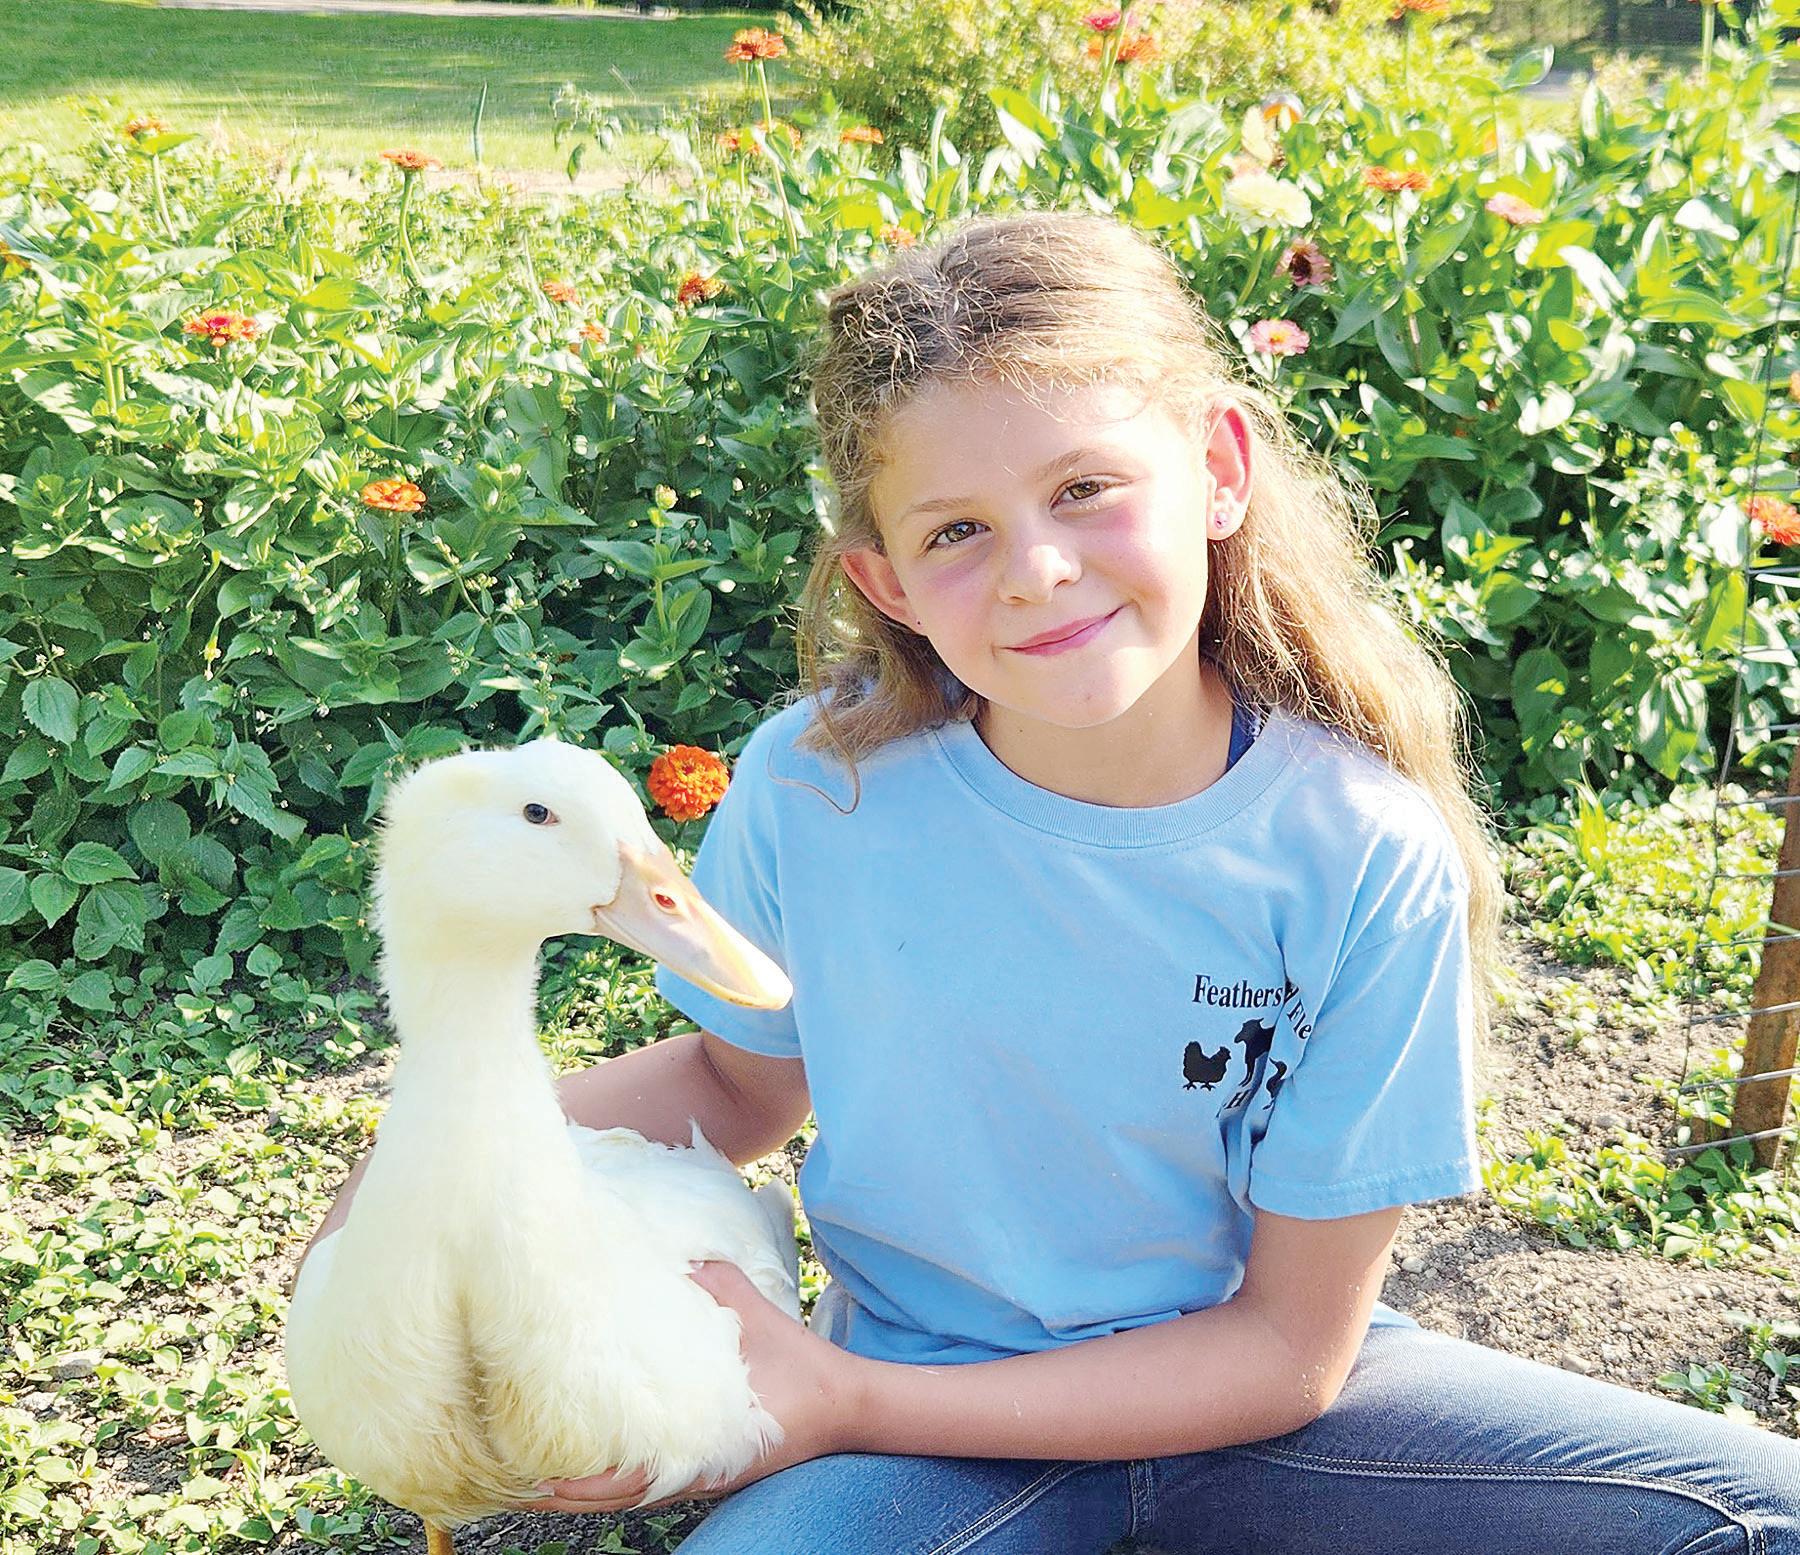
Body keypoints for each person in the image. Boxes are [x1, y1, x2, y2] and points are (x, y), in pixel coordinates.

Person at [308, 211, 1800, 1552]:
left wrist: (837, 1399)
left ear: (1218, 473)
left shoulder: (1359, 849)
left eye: (1086, 488)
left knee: (1761, 1516)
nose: (1034, 570)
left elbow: (1291, 1350)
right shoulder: (816, 788)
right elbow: (733, 1082)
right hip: (926, 1432)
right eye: (957, 531)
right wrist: (422, 1164)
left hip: (1259, 1416)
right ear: (885, 579)